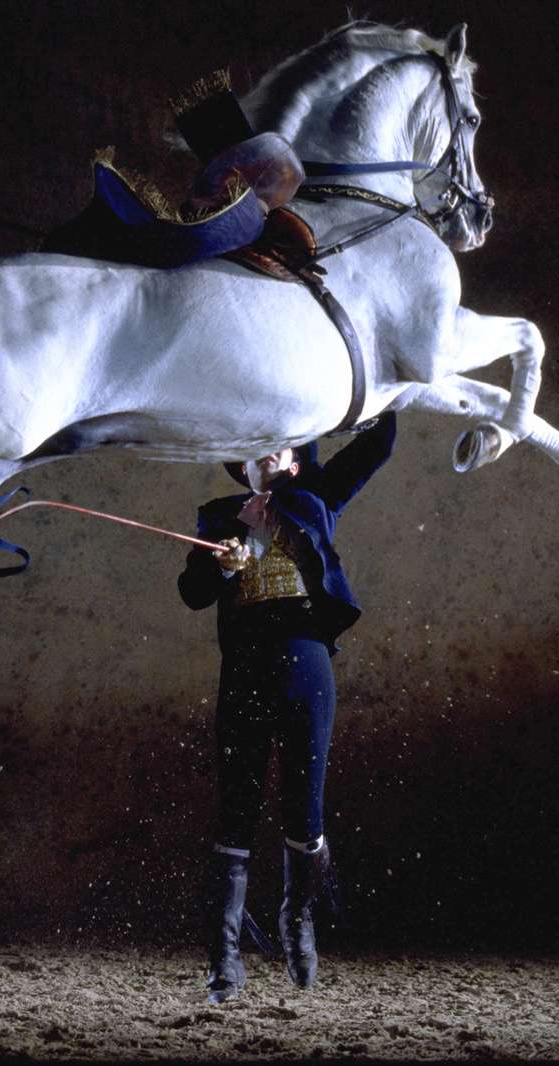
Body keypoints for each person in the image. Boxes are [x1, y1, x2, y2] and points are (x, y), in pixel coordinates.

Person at [177, 414, 398, 1003]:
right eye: (253, 450)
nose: (265, 454)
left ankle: (296, 918)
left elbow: (379, 444)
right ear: (242, 466)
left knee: (305, 809)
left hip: (305, 657)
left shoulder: (316, 497)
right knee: (237, 808)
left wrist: (366, 407)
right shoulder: (218, 516)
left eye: (277, 447)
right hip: (245, 660)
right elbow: (193, 593)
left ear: (295, 462)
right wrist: (226, 559)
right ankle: (225, 957)